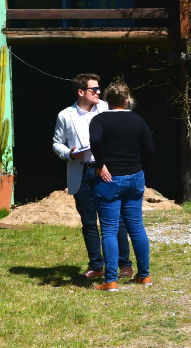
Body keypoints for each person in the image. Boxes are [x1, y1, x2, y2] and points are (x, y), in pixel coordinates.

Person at [53, 73, 133, 280]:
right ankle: (96, 265)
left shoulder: (107, 109)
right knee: (89, 222)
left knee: (116, 220)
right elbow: (56, 143)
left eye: (99, 89)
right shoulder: (65, 115)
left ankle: (125, 264)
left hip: (106, 171)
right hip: (81, 171)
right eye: (94, 89)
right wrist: (69, 153)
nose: (99, 92)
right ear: (81, 92)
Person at [89, 80, 153, 291]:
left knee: (109, 230)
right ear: (127, 100)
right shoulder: (138, 120)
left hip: (109, 179)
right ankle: (144, 276)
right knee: (136, 227)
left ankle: (111, 280)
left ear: (107, 100)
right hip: (134, 177)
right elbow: (149, 149)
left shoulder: (100, 120)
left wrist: (100, 165)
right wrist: (141, 167)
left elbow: (96, 142)